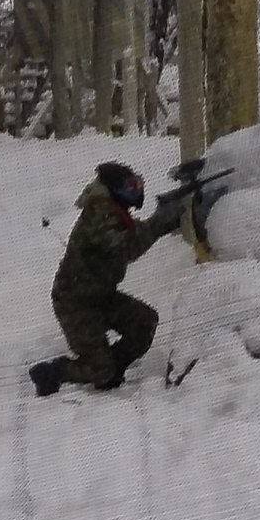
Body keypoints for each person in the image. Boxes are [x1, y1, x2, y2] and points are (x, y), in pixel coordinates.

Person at [30, 161, 185, 395]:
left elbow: (132, 233)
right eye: (129, 186)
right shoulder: (98, 215)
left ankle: (111, 370)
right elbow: (127, 247)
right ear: (114, 189)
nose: (135, 191)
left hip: (101, 297)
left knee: (145, 322)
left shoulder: (111, 211)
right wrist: (160, 222)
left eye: (136, 184)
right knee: (99, 369)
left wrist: (162, 221)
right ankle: (55, 372)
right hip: (75, 303)